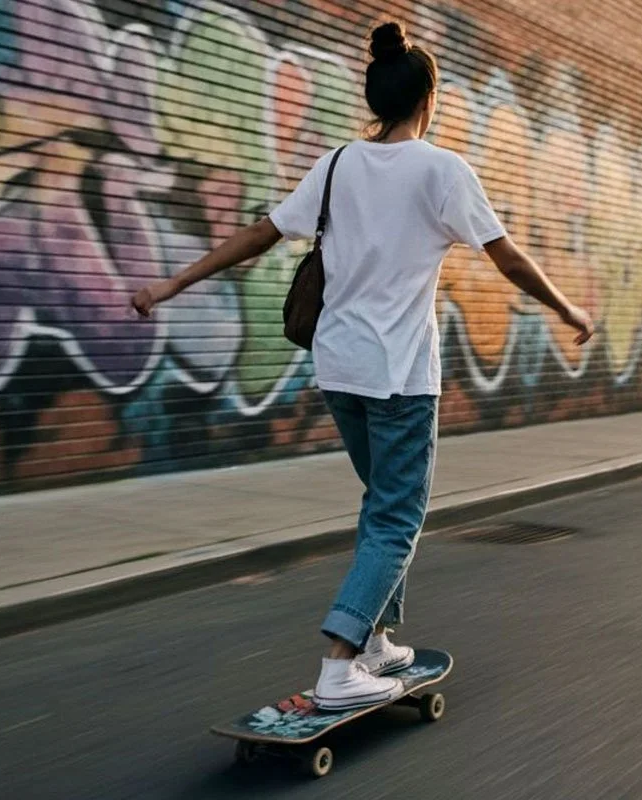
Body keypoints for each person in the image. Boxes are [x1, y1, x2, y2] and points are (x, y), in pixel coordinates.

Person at [131, 21, 594, 710]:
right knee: (398, 517)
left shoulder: (336, 164)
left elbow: (261, 233)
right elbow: (508, 258)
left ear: (376, 98)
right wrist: (567, 308)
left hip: (338, 368)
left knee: (381, 504)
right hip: (399, 376)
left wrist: (173, 283)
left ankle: (376, 641)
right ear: (429, 98)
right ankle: (341, 664)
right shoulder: (442, 171)